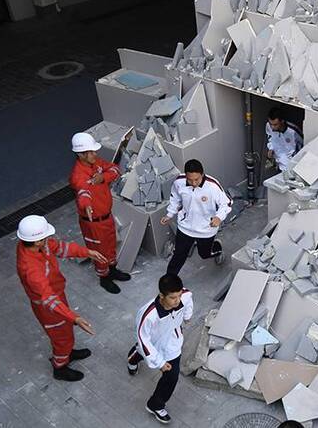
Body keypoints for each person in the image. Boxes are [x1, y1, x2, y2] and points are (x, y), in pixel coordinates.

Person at [16, 215, 107, 381]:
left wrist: (87, 252)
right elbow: (49, 299)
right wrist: (75, 318)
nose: (49, 238)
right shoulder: (31, 269)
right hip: (48, 308)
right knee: (62, 338)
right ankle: (60, 367)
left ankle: (68, 353)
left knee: (65, 332)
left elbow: (60, 247)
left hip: (56, 296)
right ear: (37, 241)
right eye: (46, 236)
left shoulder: (35, 246)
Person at [69, 132, 131, 294]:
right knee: (99, 251)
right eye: (91, 152)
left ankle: (112, 270)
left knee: (110, 246)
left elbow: (115, 169)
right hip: (93, 223)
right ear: (81, 154)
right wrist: (86, 205)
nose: (95, 154)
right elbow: (83, 192)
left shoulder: (96, 164)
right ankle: (104, 278)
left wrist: (102, 177)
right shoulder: (78, 175)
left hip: (106, 217)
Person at [127, 274, 193, 424]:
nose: (177, 301)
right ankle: (132, 358)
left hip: (173, 345)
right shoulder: (148, 315)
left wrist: (188, 316)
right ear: (161, 295)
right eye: (173, 298)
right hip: (153, 345)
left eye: (179, 296)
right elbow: (143, 339)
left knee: (172, 377)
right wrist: (159, 362)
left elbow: (188, 300)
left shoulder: (185, 296)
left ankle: (155, 405)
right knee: (141, 350)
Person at [160, 159, 232, 276]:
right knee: (178, 256)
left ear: (202, 174)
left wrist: (219, 217)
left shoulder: (212, 186)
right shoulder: (179, 182)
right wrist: (170, 214)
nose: (193, 183)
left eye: (196, 179)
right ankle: (169, 283)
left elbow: (227, 203)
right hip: (185, 226)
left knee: (204, 254)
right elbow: (175, 198)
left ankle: (217, 248)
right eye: (190, 179)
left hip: (206, 229)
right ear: (186, 175)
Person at [266, 107, 303, 171]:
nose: (272, 127)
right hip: (278, 162)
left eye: (275, 124)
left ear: (282, 121)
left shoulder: (293, 131)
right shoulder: (268, 126)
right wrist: (271, 148)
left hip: (290, 166)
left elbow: (302, 145)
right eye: (271, 124)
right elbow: (270, 137)